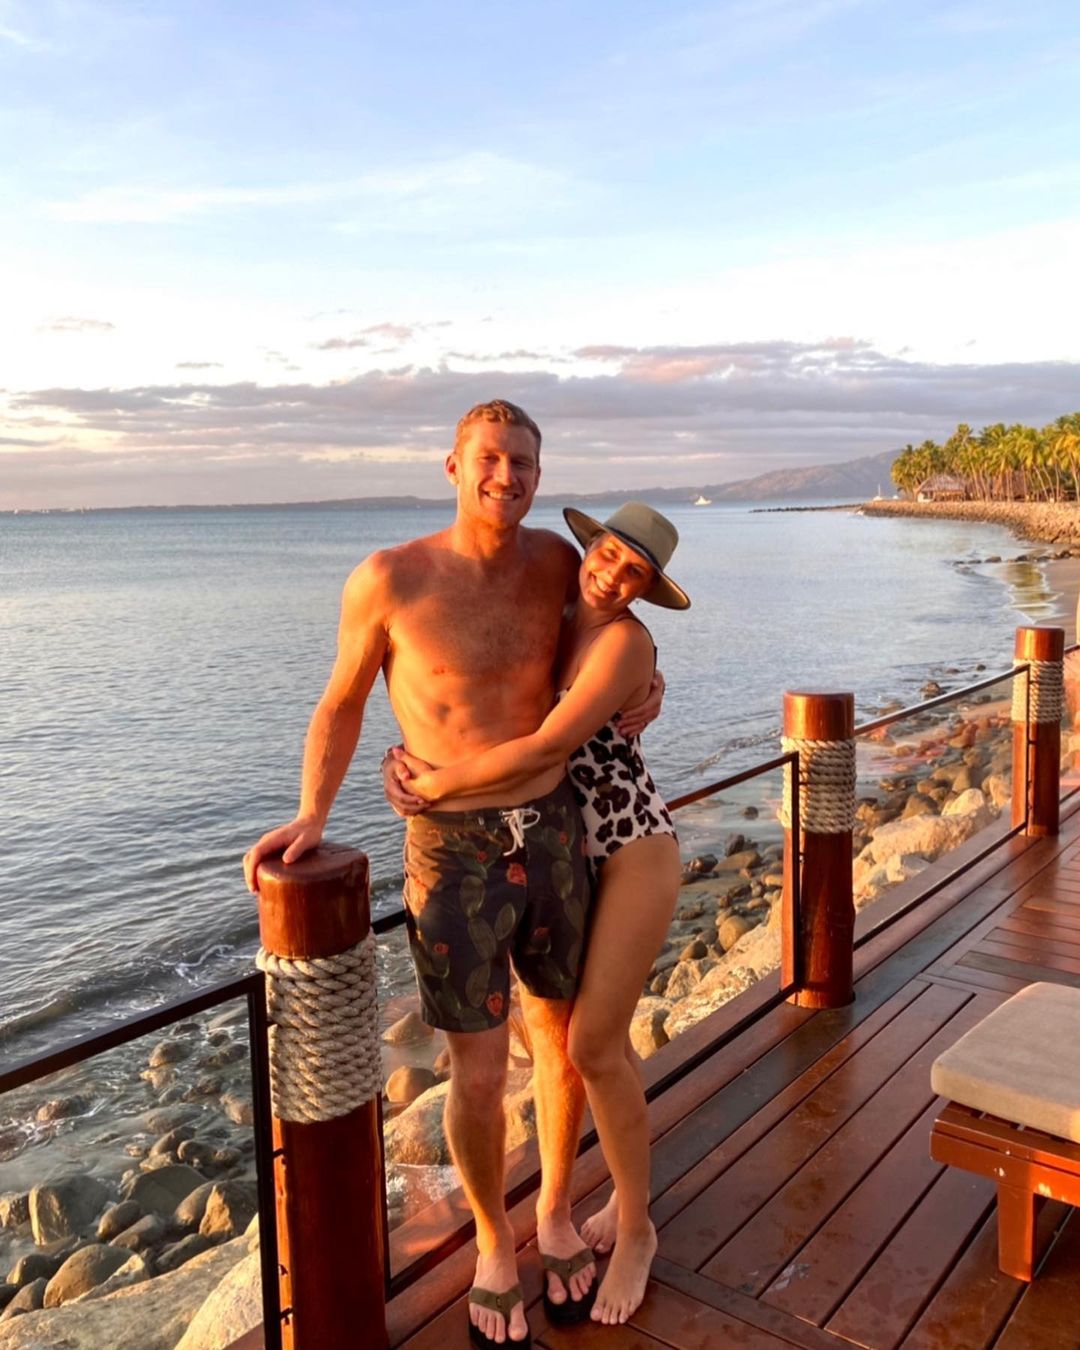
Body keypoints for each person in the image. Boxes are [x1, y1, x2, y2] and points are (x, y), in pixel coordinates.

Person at [243, 400, 660, 1349]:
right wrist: (312, 814)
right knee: (475, 1068)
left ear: (541, 477)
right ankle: (494, 1243)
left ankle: (555, 1213)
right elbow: (344, 701)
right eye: (490, 458)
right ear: (453, 465)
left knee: (560, 1042)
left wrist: (652, 684)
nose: (506, 477)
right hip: (451, 849)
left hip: (554, 831)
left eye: (524, 463)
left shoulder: (554, 564)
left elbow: (613, 632)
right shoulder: (389, 578)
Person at [386, 501, 688, 1326]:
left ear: (647, 589)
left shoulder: (625, 643)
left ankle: (637, 1231)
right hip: (564, 852)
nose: (612, 574)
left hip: (631, 848)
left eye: (634, 572)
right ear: (591, 547)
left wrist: (433, 785)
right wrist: (401, 753)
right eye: (609, 554)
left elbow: (551, 745)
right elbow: (461, 688)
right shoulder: (551, 614)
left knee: (591, 1045)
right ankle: (613, 1199)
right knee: (594, 1044)